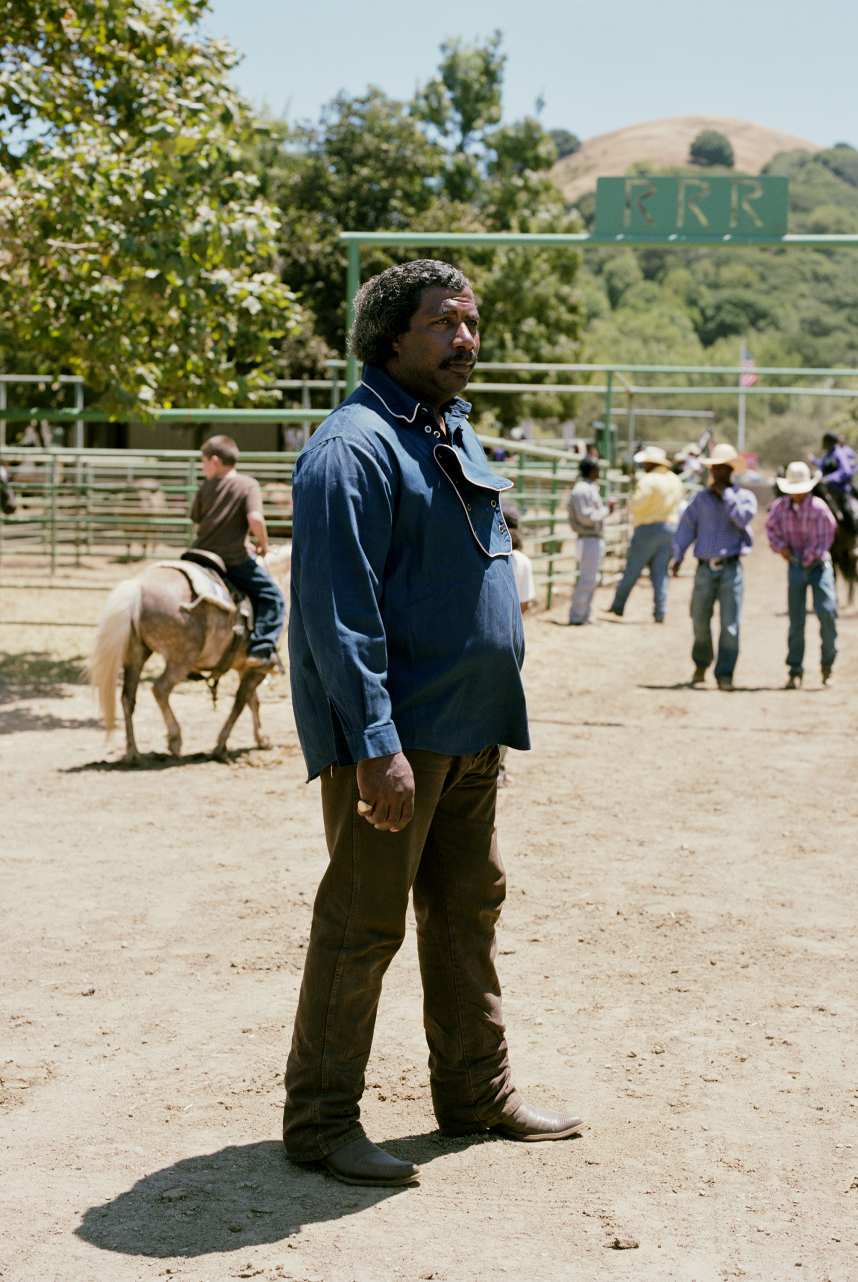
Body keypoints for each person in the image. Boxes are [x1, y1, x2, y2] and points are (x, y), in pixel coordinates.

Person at [283, 260, 583, 1189]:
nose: (466, 338)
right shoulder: (353, 448)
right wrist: (375, 748)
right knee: (364, 923)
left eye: (472, 321)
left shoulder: (447, 431)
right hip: (399, 743)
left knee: (468, 912)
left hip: (470, 731)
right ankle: (322, 1122)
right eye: (444, 323)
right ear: (389, 338)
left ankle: (474, 1093)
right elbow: (339, 614)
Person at [190, 435, 285, 669]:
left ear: (214, 461)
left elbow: (199, 527)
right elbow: (254, 518)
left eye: (203, 463)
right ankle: (260, 649)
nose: (203, 468)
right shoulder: (247, 484)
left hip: (199, 556)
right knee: (273, 598)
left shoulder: (205, 488)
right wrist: (262, 543)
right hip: (231, 560)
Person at [671, 442, 757, 691]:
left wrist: (726, 496)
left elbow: (742, 519)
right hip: (704, 568)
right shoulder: (700, 500)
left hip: (731, 567)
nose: (717, 474)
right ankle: (701, 663)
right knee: (699, 619)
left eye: (722, 469)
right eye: (714, 469)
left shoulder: (743, 498)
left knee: (730, 624)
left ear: (731, 470)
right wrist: (678, 555)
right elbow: (686, 527)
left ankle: (725, 673)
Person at [766, 460, 838, 688]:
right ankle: (795, 669)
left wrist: (805, 558)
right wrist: (781, 548)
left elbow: (825, 538)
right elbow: (771, 530)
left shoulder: (819, 508)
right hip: (796, 567)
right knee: (796, 620)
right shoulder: (779, 507)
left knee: (827, 613)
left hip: (818, 566)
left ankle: (828, 664)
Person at [607, 446, 684, 623]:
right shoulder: (674, 479)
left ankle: (618, 605)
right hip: (669, 528)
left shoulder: (648, 480)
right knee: (660, 572)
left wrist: (630, 502)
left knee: (633, 567)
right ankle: (660, 611)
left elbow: (638, 503)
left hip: (647, 528)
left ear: (650, 462)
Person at [567, 456, 609, 625]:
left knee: (592, 577)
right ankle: (577, 615)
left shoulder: (588, 488)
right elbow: (586, 517)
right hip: (588, 537)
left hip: (592, 538)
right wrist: (606, 511)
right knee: (588, 577)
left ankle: (584, 613)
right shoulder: (582, 489)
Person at [813, 432, 858, 537]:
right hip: (826, 490)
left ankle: (855, 537)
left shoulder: (839, 454)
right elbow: (822, 467)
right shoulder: (826, 455)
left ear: (828, 442)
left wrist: (830, 478)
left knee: (847, 511)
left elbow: (846, 471)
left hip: (839, 490)